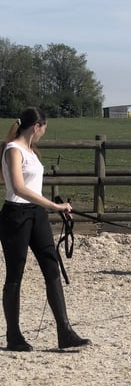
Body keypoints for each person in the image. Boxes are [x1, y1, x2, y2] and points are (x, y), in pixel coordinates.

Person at [0, 108, 91, 351]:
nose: (43, 134)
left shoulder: (31, 152)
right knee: (14, 275)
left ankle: (65, 331)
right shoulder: (12, 150)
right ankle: (14, 336)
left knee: (52, 268)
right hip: (16, 216)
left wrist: (51, 208)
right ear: (36, 126)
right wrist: (53, 205)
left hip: (37, 215)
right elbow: (18, 188)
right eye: (43, 129)